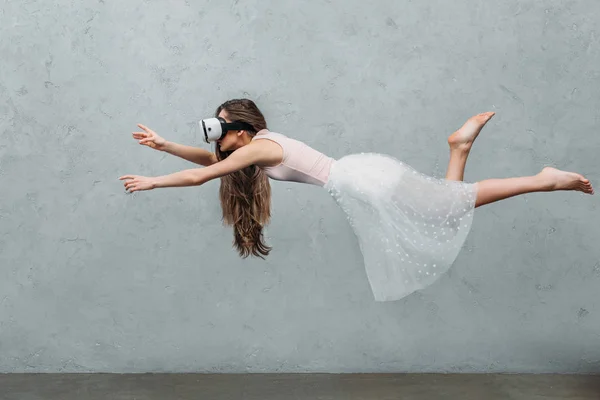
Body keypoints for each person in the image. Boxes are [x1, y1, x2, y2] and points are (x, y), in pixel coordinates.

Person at [119, 99, 594, 301]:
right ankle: (461, 147)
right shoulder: (255, 149)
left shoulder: (261, 146)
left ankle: (543, 179)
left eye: (220, 129)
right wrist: (165, 147)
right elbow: (210, 162)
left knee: (450, 206)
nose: (216, 140)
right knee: (445, 209)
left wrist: (154, 181)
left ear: (239, 133)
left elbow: (206, 175)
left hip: (362, 180)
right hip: (358, 179)